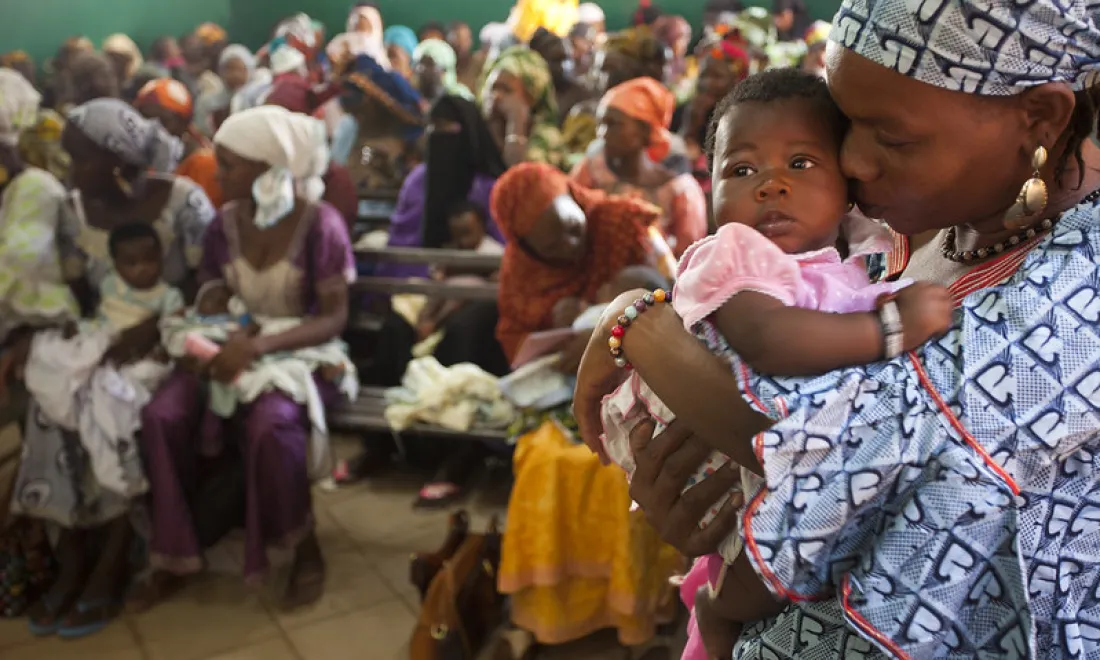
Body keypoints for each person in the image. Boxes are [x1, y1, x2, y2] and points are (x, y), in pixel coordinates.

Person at [573, 0, 1100, 656]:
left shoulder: (1079, 287)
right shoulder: (923, 226)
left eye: (893, 135)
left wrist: (638, 326)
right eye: (845, 120)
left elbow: (837, 453)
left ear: (1040, 116)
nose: (850, 160)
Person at [600, 69, 955, 660]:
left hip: (786, 458)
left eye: (801, 164)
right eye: (741, 171)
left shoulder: (858, 251)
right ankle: (716, 612)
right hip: (728, 448)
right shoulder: (735, 255)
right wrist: (888, 329)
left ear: (846, 183)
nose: (770, 185)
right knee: (761, 577)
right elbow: (767, 339)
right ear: (708, 189)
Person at [2, 97, 212, 638]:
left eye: (81, 158)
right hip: (102, 340)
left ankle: (114, 556)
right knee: (51, 406)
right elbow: (74, 289)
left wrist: (150, 330)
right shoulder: (72, 209)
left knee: (115, 413)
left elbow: (209, 285)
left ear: (119, 159)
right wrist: (55, 336)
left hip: (165, 342)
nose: (70, 171)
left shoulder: (183, 202)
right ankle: (73, 550)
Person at [134, 105, 355, 612]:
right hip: (231, 339)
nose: (219, 173)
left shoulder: (320, 224)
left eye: (230, 164)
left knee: (271, 428)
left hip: (300, 350)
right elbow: (213, 285)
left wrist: (256, 347)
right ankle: (175, 552)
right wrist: (212, 304)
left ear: (267, 167)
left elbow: (334, 318)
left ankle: (303, 546)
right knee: (162, 415)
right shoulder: (224, 223)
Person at [489, 162, 683, 652]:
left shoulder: (625, 227)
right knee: (547, 461)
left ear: (578, 200)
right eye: (550, 244)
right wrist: (563, 345)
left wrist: (612, 338)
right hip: (562, 397)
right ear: (527, 245)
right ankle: (562, 602)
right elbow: (517, 341)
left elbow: (682, 300)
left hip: (654, 385)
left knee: (625, 469)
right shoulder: (521, 271)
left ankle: (638, 600)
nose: (570, 246)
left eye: (572, 228)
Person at [571, 77, 706, 257]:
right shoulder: (592, 170)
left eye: (614, 124)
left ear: (645, 131)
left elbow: (688, 258)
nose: (602, 134)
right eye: (601, 123)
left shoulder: (681, 192)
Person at [673, 36, 751, 196]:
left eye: (716, 77)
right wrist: (691, 124)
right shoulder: (685, 110)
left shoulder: (745, 120)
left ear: (737, 81)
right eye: (703, 76)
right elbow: (675, 162)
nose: (707, 83)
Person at [135, 78, 222, 206]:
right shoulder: (136, 154)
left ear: (183, 123)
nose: (153, 129)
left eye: (163, 121)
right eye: (145, 118)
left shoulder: (203, 163)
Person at [481, 47, 566, 169]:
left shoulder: (547, 139)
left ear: (530, 98)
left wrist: (516, 125)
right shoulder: (478, 130)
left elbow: (519, 180)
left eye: (506, 90)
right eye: (493, 88)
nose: (496, 96)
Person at [193, 44, 258, 138]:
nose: (235, 75)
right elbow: (201, 132)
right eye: (230, 69)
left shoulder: (256, 101)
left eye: (240, 69)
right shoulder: (207, 102)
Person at [325, 3, 390, 69]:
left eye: (365, 19)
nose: (360, 23)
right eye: (358, 19)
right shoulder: (341, 41)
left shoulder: (379, 49)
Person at [447, 21, 481, 92]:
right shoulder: (442, 65)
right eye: (457, 39)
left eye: (466, 39)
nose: (462, 44)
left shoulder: (478, 64)